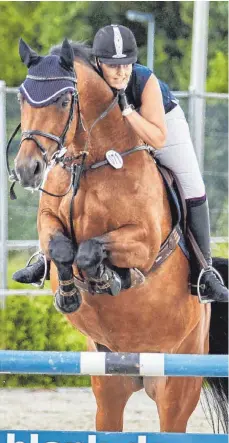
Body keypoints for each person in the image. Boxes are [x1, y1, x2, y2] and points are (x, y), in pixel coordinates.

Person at [14, 24, 228, 303]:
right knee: (60, 170)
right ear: (98, 63)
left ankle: (204, 272)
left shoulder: (144, 81)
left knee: (192, 183)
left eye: (127, 64)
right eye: (113, 66)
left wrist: (128, 111)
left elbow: (158, 137)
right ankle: (46, 256)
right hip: (113, 131)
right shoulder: (88, 80)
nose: (121, 72)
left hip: (158, 122)